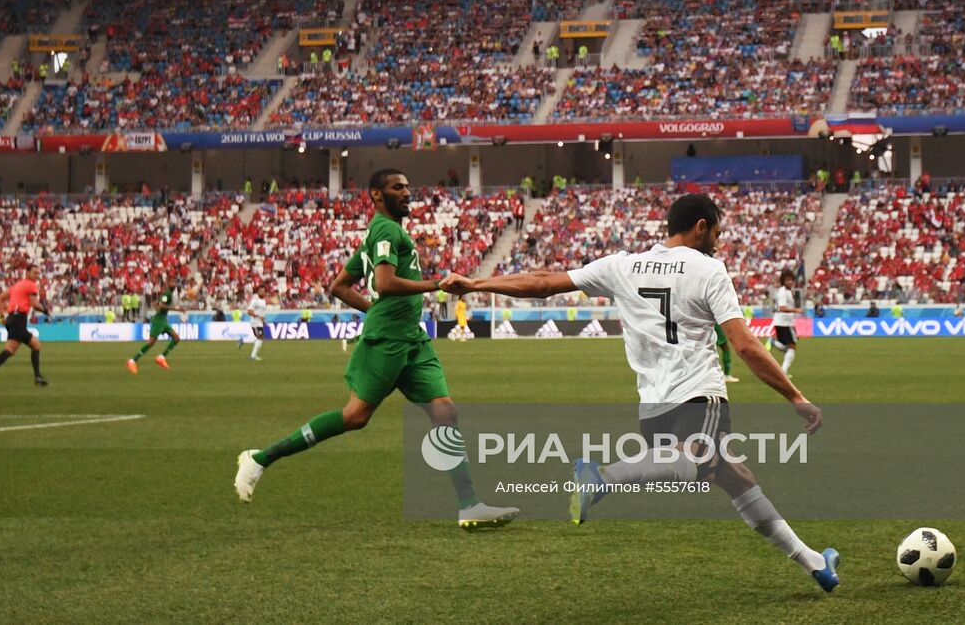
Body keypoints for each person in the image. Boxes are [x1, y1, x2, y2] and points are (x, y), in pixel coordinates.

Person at [439, 193, 839, 592]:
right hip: (698, 391)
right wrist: (797, 398)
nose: (716, 242)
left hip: (653, 404)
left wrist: (477, 283)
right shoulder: (709, 269)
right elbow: (746, 346)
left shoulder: (622, 265)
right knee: (702, 462)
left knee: (735, 475)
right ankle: (603, 475)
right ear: (700, 227)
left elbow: (544, 283)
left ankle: (815, 563)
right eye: (715, 233)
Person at [234, 169, 519, 530]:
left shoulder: (384, 232)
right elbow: (383, 283)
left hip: (411, 340)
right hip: (387, 340)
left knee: (445, 413)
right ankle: (259, 458)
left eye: (407, 187)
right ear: (376, 196)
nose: (406, 193)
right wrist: (437, 285)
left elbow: (339, 285)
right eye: (397, 188)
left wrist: (378, 309)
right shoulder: (385, 229)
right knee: (355, 417)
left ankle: (470, 505)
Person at [0, 265, 53, 389]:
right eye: (35, 273)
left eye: (38, 273)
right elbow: (34, 304)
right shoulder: (31, 285)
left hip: (13, 319)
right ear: (28, 272)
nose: (37, 276)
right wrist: (46, 311)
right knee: (10, 350)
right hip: (19, 319)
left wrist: (2, 317)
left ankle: (38, 377)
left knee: (36, 344)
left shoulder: (17, 285)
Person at [127, 291, 180, 374]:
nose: (174, 284)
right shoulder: (167, 294)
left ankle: (161, 358)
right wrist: (177, 309)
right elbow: (160, 305)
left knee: (176, 338)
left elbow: (155, 303)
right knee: (151, 342)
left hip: (164, 320)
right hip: (159, 320)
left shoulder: (167, 294)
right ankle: (132, 361)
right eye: (172, 282)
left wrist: (158, 307)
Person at [766, 268, 801, 375]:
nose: (789, 282)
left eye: (791, 280)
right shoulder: (783, 292)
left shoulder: (787, 291)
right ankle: (783, 372)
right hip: (783, 322)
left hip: (784, 322)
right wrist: (796, 310)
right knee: (792, 347)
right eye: (787, 280)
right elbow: (782, 308)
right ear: (783, 281)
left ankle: (773, 342)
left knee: (788, 347)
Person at [238, 293, 266, 362]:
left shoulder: (262, 301)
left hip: (259, 322)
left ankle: (243, 341)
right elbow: (249, 311)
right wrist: (259, 316)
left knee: (259, 338)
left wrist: (263, 320)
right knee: (260, 338)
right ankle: (253, 356)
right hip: (255, 322)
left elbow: (261, 312)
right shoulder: (255, 300)